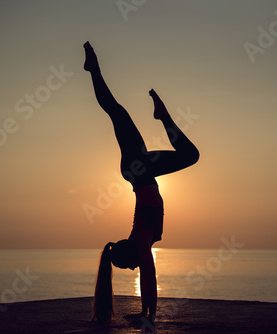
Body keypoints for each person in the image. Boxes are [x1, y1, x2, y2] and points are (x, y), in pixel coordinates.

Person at [84, 41, 199, 324]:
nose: (136, 269)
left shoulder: (143, 239)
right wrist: (146, 313)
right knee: (190, 155)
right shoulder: (141, 238)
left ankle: (93, 69)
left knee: (116, 111)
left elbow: (149, 275)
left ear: (131, 254)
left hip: (139, 173)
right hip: (140, 172)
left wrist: (148, 314)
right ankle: (163, 116)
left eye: (130, 266)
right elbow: (146, 272)